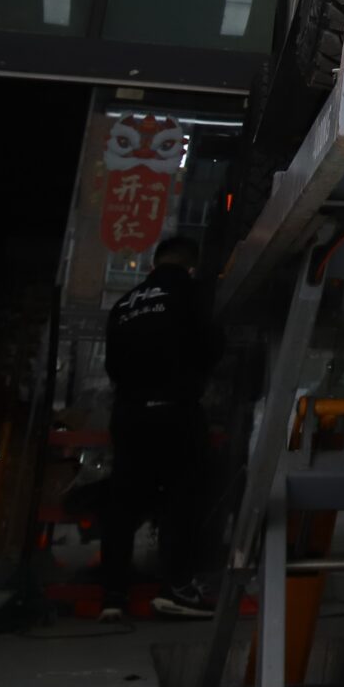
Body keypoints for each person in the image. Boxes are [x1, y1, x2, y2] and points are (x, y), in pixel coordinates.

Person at [99, 234, 219, 619]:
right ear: (191, 267)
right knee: (184, 499)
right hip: (175, 411)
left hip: (129, 414)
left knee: (123, 503)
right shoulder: (191, 296)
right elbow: (211, 348)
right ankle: (176, 588)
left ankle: (113, 597)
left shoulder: (125, 304)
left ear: (154, 264)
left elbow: (112, 366)